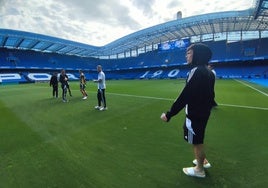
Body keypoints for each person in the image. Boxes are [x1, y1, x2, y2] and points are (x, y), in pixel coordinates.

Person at [160, 43, 215, 178]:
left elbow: (185, 95)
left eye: (189, 53)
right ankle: (203, 161)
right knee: (198, 138)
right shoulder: (209, 72)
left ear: (197, 55)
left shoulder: (196, 71)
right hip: (203, 112)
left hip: (195, 113)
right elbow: (211, 95)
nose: (186, 56)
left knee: (196, 142)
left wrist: (169, 114)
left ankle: (199, 170)